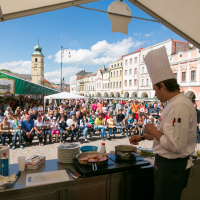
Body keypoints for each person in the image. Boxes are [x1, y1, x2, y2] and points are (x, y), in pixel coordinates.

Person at [130, 46, 196, 200]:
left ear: (163, 86)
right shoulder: (174, 103)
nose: (154, 94)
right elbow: (165, 134)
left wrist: (153, 131)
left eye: (155, 89)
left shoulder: (179, 107)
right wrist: (143, 137)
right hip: (168, 166)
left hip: (172, 167)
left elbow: (176, 146)